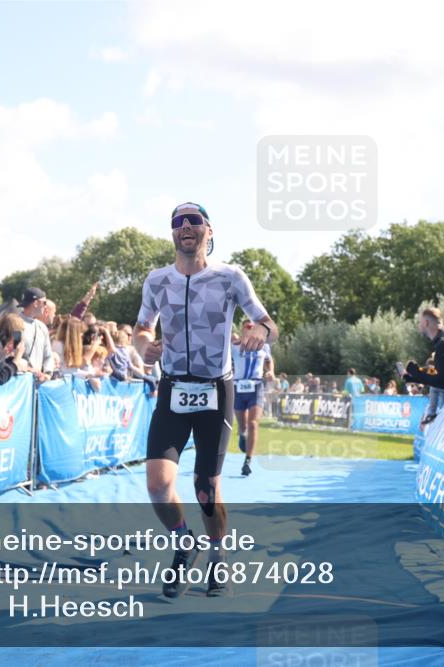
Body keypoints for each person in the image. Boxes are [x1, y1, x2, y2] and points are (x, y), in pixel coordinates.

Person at [134, 201, 278, 599]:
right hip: (173, 388)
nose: (185, 227)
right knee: (158, 486)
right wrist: (145, 346)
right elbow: (142, 327)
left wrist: (260, 334)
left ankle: (217, 556)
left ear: (208, 231)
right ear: (172, 233)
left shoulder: (230, 277)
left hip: (216, 390)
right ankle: (185, 542)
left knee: (206, 490)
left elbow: (267, 323)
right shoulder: (157, 280)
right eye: (178, 222)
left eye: (194, 221)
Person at [402, 307, 444, 424]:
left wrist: (416, 371)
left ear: (426, 323)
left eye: (419, 322)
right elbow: (439, 373)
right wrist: (412, 377)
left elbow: (440, 381)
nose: (419, 325)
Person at [231, 320, 274, 477]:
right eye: (247, 327)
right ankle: (242, 434)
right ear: (243, 330)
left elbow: (269, 361)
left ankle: (247, 461)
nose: (250, 329)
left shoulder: (264, 345)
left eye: (252, 327)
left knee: (253, 423)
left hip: (256, 386)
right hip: (238, 388)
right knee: (243, 426)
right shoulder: (234, 346)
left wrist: (271, 372)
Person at [18, 287, 55, 382]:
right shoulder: (14, 324)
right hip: (19, 383)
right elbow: (10, 354)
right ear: (36, 303)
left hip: (38, 384)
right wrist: (28, 369)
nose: (45, 306)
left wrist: (47, 374)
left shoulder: (42, 327)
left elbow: (48, 355)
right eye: (44, 302)